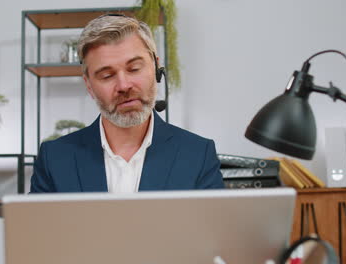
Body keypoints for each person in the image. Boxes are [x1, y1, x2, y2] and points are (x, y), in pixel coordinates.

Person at [30, 14, 224, 193]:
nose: (123, 86)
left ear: (156, 67)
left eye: (134, 69)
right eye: (107, 76)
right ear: (89, 85)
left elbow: (213, 230)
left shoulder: (198, 155)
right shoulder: (54, 159)